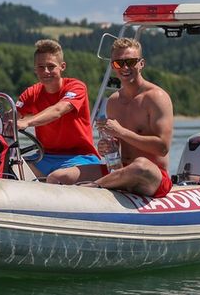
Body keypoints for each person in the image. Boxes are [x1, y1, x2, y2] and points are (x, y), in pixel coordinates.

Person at [51, 37, 174, 197]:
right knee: (58, 176)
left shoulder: (156, 97)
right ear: (112, 66)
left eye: (130, 62)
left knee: (140, 165)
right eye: (118, 63)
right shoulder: (113, 102)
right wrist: (106, 147)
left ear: (141, 64)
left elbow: (162, 148)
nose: (124, 67)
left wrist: (121, 132)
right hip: (119, 170)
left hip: (152, 176)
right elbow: (115, 144)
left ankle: (92, 188)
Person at [16, 39, 101, 181]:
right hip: (44, 157)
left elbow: (58, 110)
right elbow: (13, 116)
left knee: (57, 177)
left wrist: (27, 122)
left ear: (62, 66)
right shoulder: (31, 92)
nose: (46, 71)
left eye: (51, 66)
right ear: (35, 69)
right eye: (41, 67)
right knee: (8, 168)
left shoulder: (76, 87)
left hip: (80, 158)